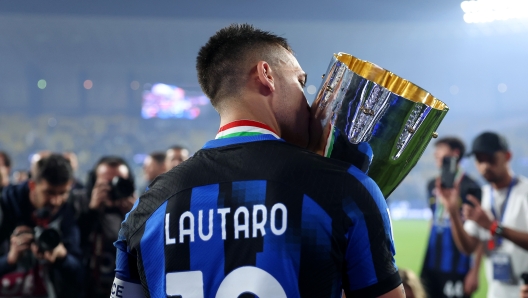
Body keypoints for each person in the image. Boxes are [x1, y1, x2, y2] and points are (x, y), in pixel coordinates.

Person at [111, 24, 404, 298]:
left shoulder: (147, 208)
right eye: (300, 82)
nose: (308, 101)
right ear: (266, 74)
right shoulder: (345, 188)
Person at [437, 132, 528, 298]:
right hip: (495, 293)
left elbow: (491, 228)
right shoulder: (482, 195)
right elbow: (468, 247)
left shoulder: (525, 192)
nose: (485, 165)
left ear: (508, 156)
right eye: (479, 160)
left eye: (490, 158)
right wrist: (453, 212)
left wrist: (493, 227)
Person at [0, 154, 82, 297]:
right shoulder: (5, 207)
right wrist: (10, 259)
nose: (56, 201)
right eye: (49, 192)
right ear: (32, 185)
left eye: (63, 193)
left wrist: (62, 256)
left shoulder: (68, 211)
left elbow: (80, 273)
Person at [420, 137, 483, 298]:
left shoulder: (471, 187)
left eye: (440, 149)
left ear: (455, 153)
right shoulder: (432, 185)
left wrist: (475, 272)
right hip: (431, 265)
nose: (435, 154)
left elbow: (480, 233)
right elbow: (433, 219)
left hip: (458, 267)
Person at [78, 156, 136, 298]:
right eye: (107, 183)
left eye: (119, 182)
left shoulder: (136, 209)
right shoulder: (79, 203)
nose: (113, 188)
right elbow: (74, 242)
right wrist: (92, 212)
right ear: (93, 183)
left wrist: (136, 218)